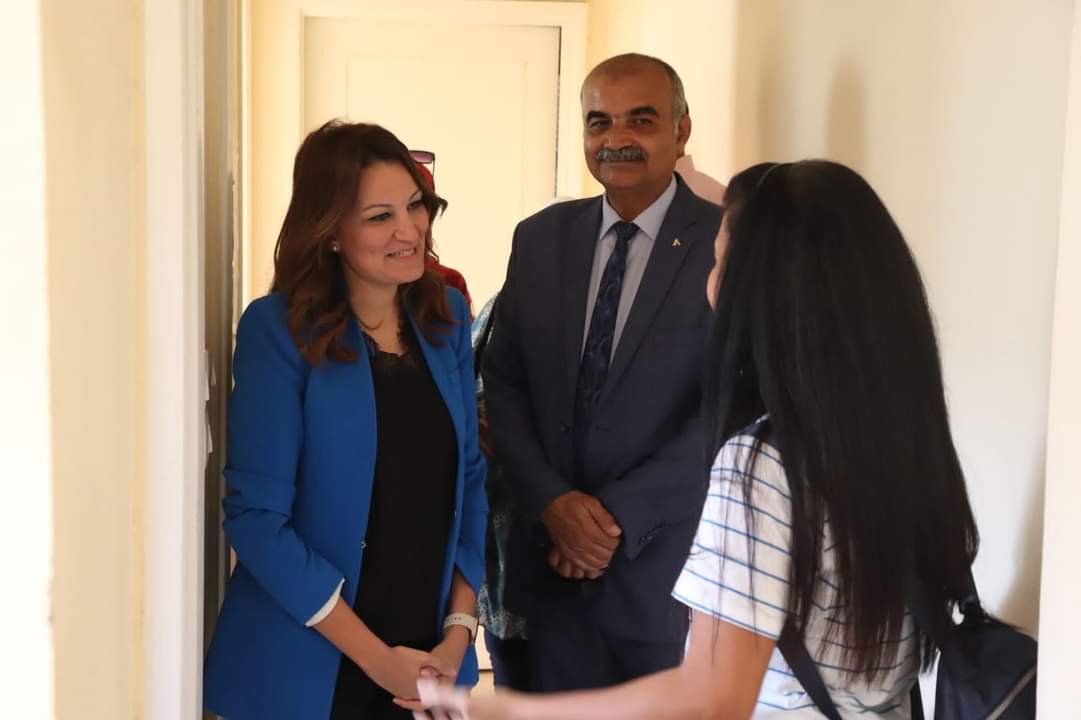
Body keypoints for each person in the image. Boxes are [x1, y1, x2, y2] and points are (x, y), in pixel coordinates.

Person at [417, 159, 981, 719]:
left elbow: (710, 699)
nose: (710, 284)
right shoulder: (897, 437)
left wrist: (508, 713)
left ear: (765, 290)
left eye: (719, 262)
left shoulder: (762, 463)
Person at [202, 120, 488, 720]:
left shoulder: (447, 317)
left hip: (427, 665)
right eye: (381, 216)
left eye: (416, 205)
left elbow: (470, 482)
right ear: (331, 231)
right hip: (306, 669)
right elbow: (257, 520)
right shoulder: (278, 331)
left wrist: (458, 633)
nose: (410, 229)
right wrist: (378, 661)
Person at [480, 53, 723, 692]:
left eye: (641, 120)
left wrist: (610, 519)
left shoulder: (727, 243)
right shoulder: (540, 238)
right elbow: (503, 382)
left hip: (666, 574)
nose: (616, 139)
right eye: (599, 122)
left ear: (681, 131)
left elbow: (729, 405)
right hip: (550, 569)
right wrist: (552, 503)